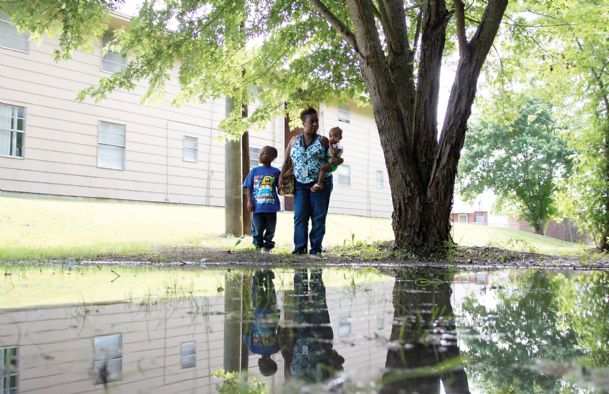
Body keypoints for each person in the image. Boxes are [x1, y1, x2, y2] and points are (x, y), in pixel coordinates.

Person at [279, 108, 343, 256]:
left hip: (321, 183)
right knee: (300, 215)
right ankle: (300, 248)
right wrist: (281, 177)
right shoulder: (294, 140)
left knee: (318, 217)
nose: (315, 124)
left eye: (316, 121)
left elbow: (334, 159)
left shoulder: (323, 141)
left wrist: (334, 164)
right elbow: (287, 161)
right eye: (311, 121)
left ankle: (316, 249)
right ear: (303, 123)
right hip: (300, 184)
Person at [243, 146, 281, 252]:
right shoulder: (254, 171)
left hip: (271, 207)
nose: (260, 155)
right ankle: (258, 245)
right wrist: (249, 201)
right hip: (257, 207)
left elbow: (280, 189)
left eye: (264, 153)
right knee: (257, 228)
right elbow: (248, 187)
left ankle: (268, 246)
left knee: (271, 229)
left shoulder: (276, 172)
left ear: (273, 157)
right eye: (260, 153)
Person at [243, 269, 281, 377]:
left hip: (272, 315)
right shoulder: (253, 348)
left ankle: (268, 277)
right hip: (257, 314)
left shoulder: (276, 348)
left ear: (273, 362)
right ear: (262, 365)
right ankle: (257, 275)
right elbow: (246, 331)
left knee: (270, 296)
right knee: (257, 293)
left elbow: (280, 332)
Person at [311, 126, 343, 193]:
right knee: (321, 168)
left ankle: (318, 184)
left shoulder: (339, 145)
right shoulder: (330, 145)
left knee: (323, 168)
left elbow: (334, 153)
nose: (332, 138)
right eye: (330, 136)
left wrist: (330, 144)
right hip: (327, 160)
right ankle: (320, 182)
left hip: (332, 164)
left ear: (340, 138)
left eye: (335, 136)